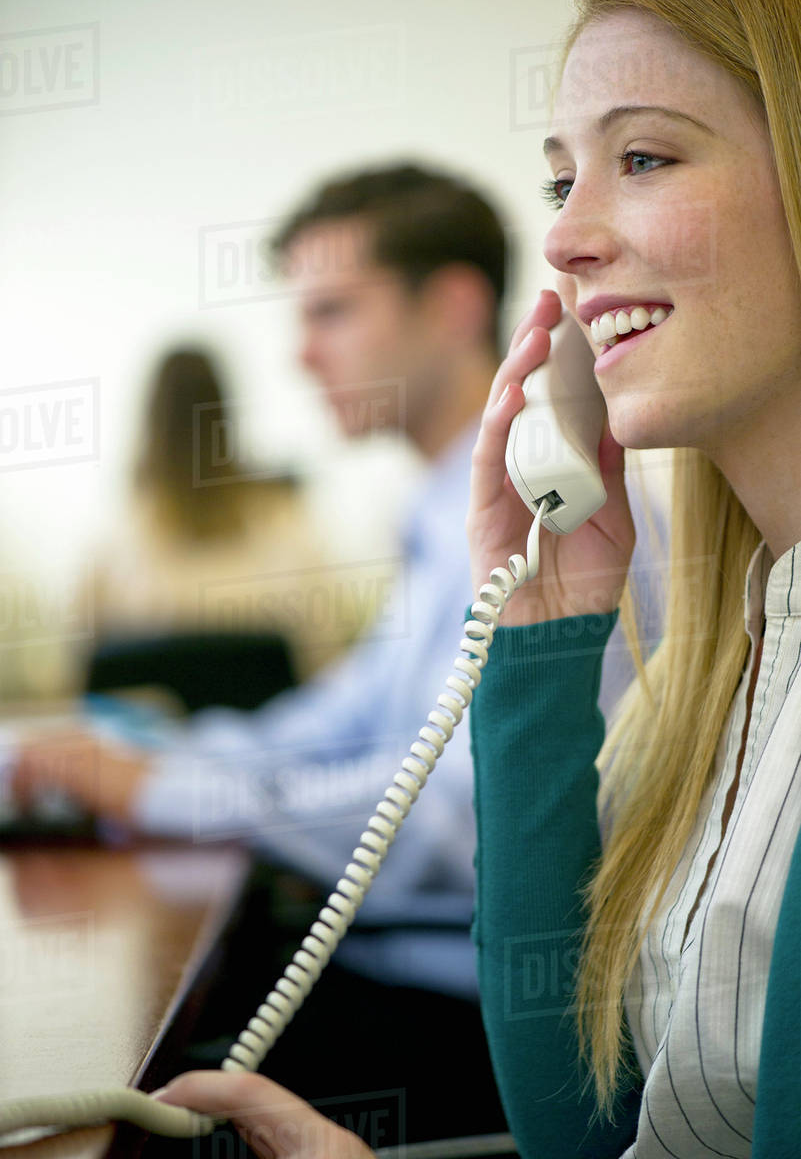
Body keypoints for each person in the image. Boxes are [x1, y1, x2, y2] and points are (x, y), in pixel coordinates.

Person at [146, 0, 801, 1155]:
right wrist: (537, 644)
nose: (562, 235)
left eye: (643, 158)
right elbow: (580, 1130)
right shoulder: (734, 652)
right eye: (559, 180)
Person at [13, 164, 664, 1145]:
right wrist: (161, 760)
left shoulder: (549, 522)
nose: (302, 356)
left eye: (332, 313)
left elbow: (454, 820)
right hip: (411, 977)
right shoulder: (444, 510)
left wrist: (164, 790)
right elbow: (339, 725)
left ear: (451, 304)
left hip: (465, 1021)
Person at [82, 345, 356, 684]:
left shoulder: (117, 545)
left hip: (154, 735)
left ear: (151, 420)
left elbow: (85, 676)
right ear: (225, 416)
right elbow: (327, 668)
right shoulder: (286, 525)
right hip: (276, 730)